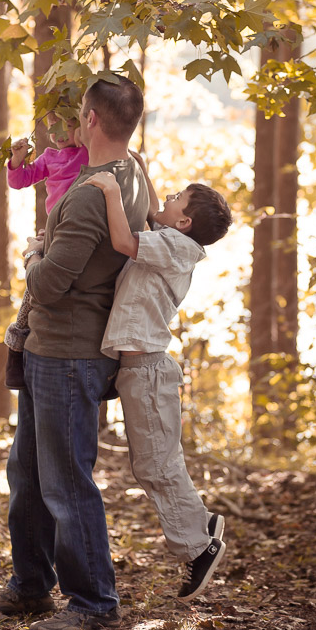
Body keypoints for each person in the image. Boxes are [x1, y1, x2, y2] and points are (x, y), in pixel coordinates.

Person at [0, 76, 148, 630]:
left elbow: (47, 284)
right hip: (50, 348)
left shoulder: (93, 194)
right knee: (27, 471)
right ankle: (29, 586)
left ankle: (94, 602)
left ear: (91, 120)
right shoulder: (133, 172)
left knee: (67, 481)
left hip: (69, 353)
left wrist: (33, 252)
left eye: (78, 115)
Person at [82, 160, 233, 603]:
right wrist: (140, 168)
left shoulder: (174, 246)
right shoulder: (172, 238)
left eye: (175, 199)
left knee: (155, 465)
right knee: (157, 461)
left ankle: (199, 548)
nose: (164, 200)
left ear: (184, 221)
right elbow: (152, 210)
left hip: (146, 371)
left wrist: (111, 190)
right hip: (139, 370)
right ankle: (200, 524)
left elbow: (125, 239)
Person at [4, 112, 89, 387]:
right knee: (32, 294)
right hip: (53, 231)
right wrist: (17, 160)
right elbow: (20, 181)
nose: (60, 134)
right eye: (53, 128)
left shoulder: (88, 153)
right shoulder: (50, 157)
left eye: (68, 125)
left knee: (57, 282)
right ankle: (16, 350)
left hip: (78, 227)